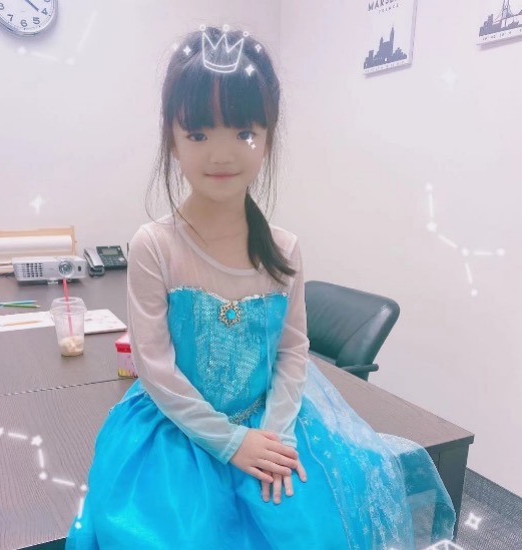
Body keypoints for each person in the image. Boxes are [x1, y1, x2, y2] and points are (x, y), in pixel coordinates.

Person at [66, 26, 456, 549]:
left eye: (244, 132)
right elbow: (154, 367)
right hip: (177, 435)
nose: (221, 154)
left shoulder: (284, 249)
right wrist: (231, 442)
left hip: (275, 423)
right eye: (199, 134)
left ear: (269, 138)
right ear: (172, 139)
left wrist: (273, 438)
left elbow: (293, 351)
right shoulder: (154, 246)